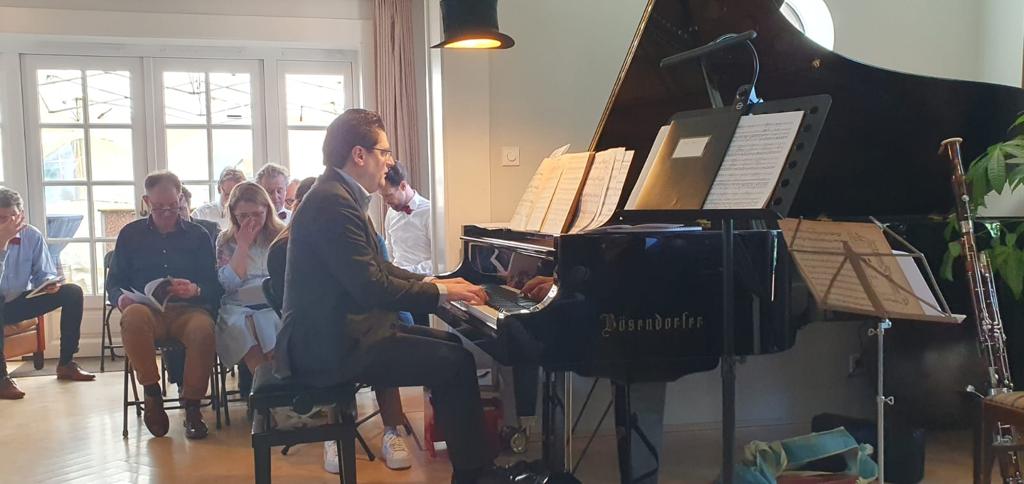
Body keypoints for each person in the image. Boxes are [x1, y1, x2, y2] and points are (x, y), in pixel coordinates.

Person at [275, 108, 529, 483]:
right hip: (328, 346)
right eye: (384, 151)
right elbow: (371, 286)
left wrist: (436, 282)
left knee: (451, 348)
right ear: (359, 155)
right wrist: (439, 292)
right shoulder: (332, 202)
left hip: (339, 333)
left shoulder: (336, 194)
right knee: (455, 362)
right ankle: (475, 475)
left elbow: (379, 269)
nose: (390, 161)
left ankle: (474, 470)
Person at [107, 171, 223, 439]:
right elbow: (114, 282)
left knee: (203, 330)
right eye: (159, 207)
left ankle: (192, 406)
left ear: (180, 198)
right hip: (147, 310)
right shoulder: (130, 234)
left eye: (172, 206)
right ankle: (152, 393)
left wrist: (195, 289)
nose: (167, 213)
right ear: (147, 201)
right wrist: (121, 298)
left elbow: (214, 284)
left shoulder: (198, 235)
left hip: (188, 310)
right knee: (132, 317)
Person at [0, 187, 93, 400]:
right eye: (2, 218)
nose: (8, 224)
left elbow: (44, 272)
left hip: (18, 301)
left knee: (72, 292)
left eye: (12, 217)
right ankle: (1, 379)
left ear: (21, 216)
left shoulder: (31, 235)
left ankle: (66, 363)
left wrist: (48, 283)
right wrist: (2, 244)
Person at [214, 182, 285, 378]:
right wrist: (242, 245)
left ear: (267, 211)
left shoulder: (281, 235)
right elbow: (229, 284)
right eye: (243, 216)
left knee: (266, 320)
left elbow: (288, 276)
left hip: (273, 301)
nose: (250, 221)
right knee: (243, 325)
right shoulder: (225, 240)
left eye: (257, 214)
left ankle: (274, 384)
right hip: (238, 305)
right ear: (233, 214)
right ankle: (263, 385)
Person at [380, 161, 433, 274]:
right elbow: (389, 249)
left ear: (403, 186)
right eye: (382, 196)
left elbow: (439, 262)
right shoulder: (391, 213)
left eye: (389, 195)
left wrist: (405, 272)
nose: (385, 202)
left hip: (423, 280)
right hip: (397, 279)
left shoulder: (430, 213)